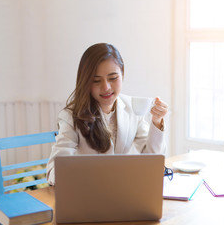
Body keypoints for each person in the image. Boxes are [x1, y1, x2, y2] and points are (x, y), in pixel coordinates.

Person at [46, 43, 168, 185]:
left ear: (122, 74)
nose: (106, 87)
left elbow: (152, 159)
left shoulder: (132, 107)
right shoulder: (71, 117)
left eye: (113, 78)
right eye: (96, 81)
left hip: (121, 191)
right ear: (86, 82)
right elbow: (54, 171)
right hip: (89, 193)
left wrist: (157, 120)